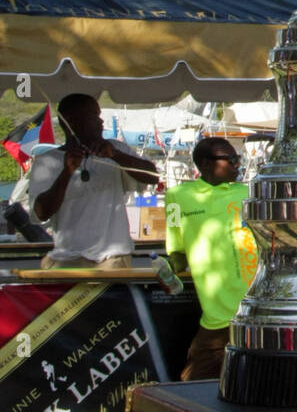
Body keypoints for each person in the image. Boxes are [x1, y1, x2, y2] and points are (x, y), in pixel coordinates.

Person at [164, 137, 258, 381]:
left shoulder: (251, 192)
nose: (238, 164)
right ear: (206, 164)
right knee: (194, 383)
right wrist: (169, 268)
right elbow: (176, 249)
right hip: (219, 312)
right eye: (231, 159)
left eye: (238, 159)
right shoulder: (176, 196)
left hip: (258, 306)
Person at [29, 93, 158, 268]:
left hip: (113, 257)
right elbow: (41, 213)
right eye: (94, 116)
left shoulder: (115, 149)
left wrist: (116, 156)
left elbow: (152, 177)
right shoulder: (47, 161)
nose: (101, 122)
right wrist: (67, 172)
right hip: (68, 257)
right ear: (71, 121)